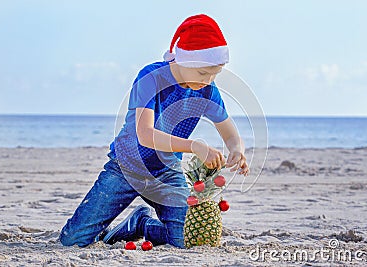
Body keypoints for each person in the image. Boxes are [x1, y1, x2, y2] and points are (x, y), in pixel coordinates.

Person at [59, 14, 249, 249]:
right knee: (72, 241)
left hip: (167, 174)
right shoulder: (151, 77)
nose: (209, 80)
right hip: (126, 169)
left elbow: (229, 132)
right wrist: (193, 146)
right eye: (203, 73)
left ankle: (142, 224)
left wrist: (236, 149)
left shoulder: (207, 91)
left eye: (214, 74)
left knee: (186, 241)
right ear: (184, 61)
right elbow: (145, 134)